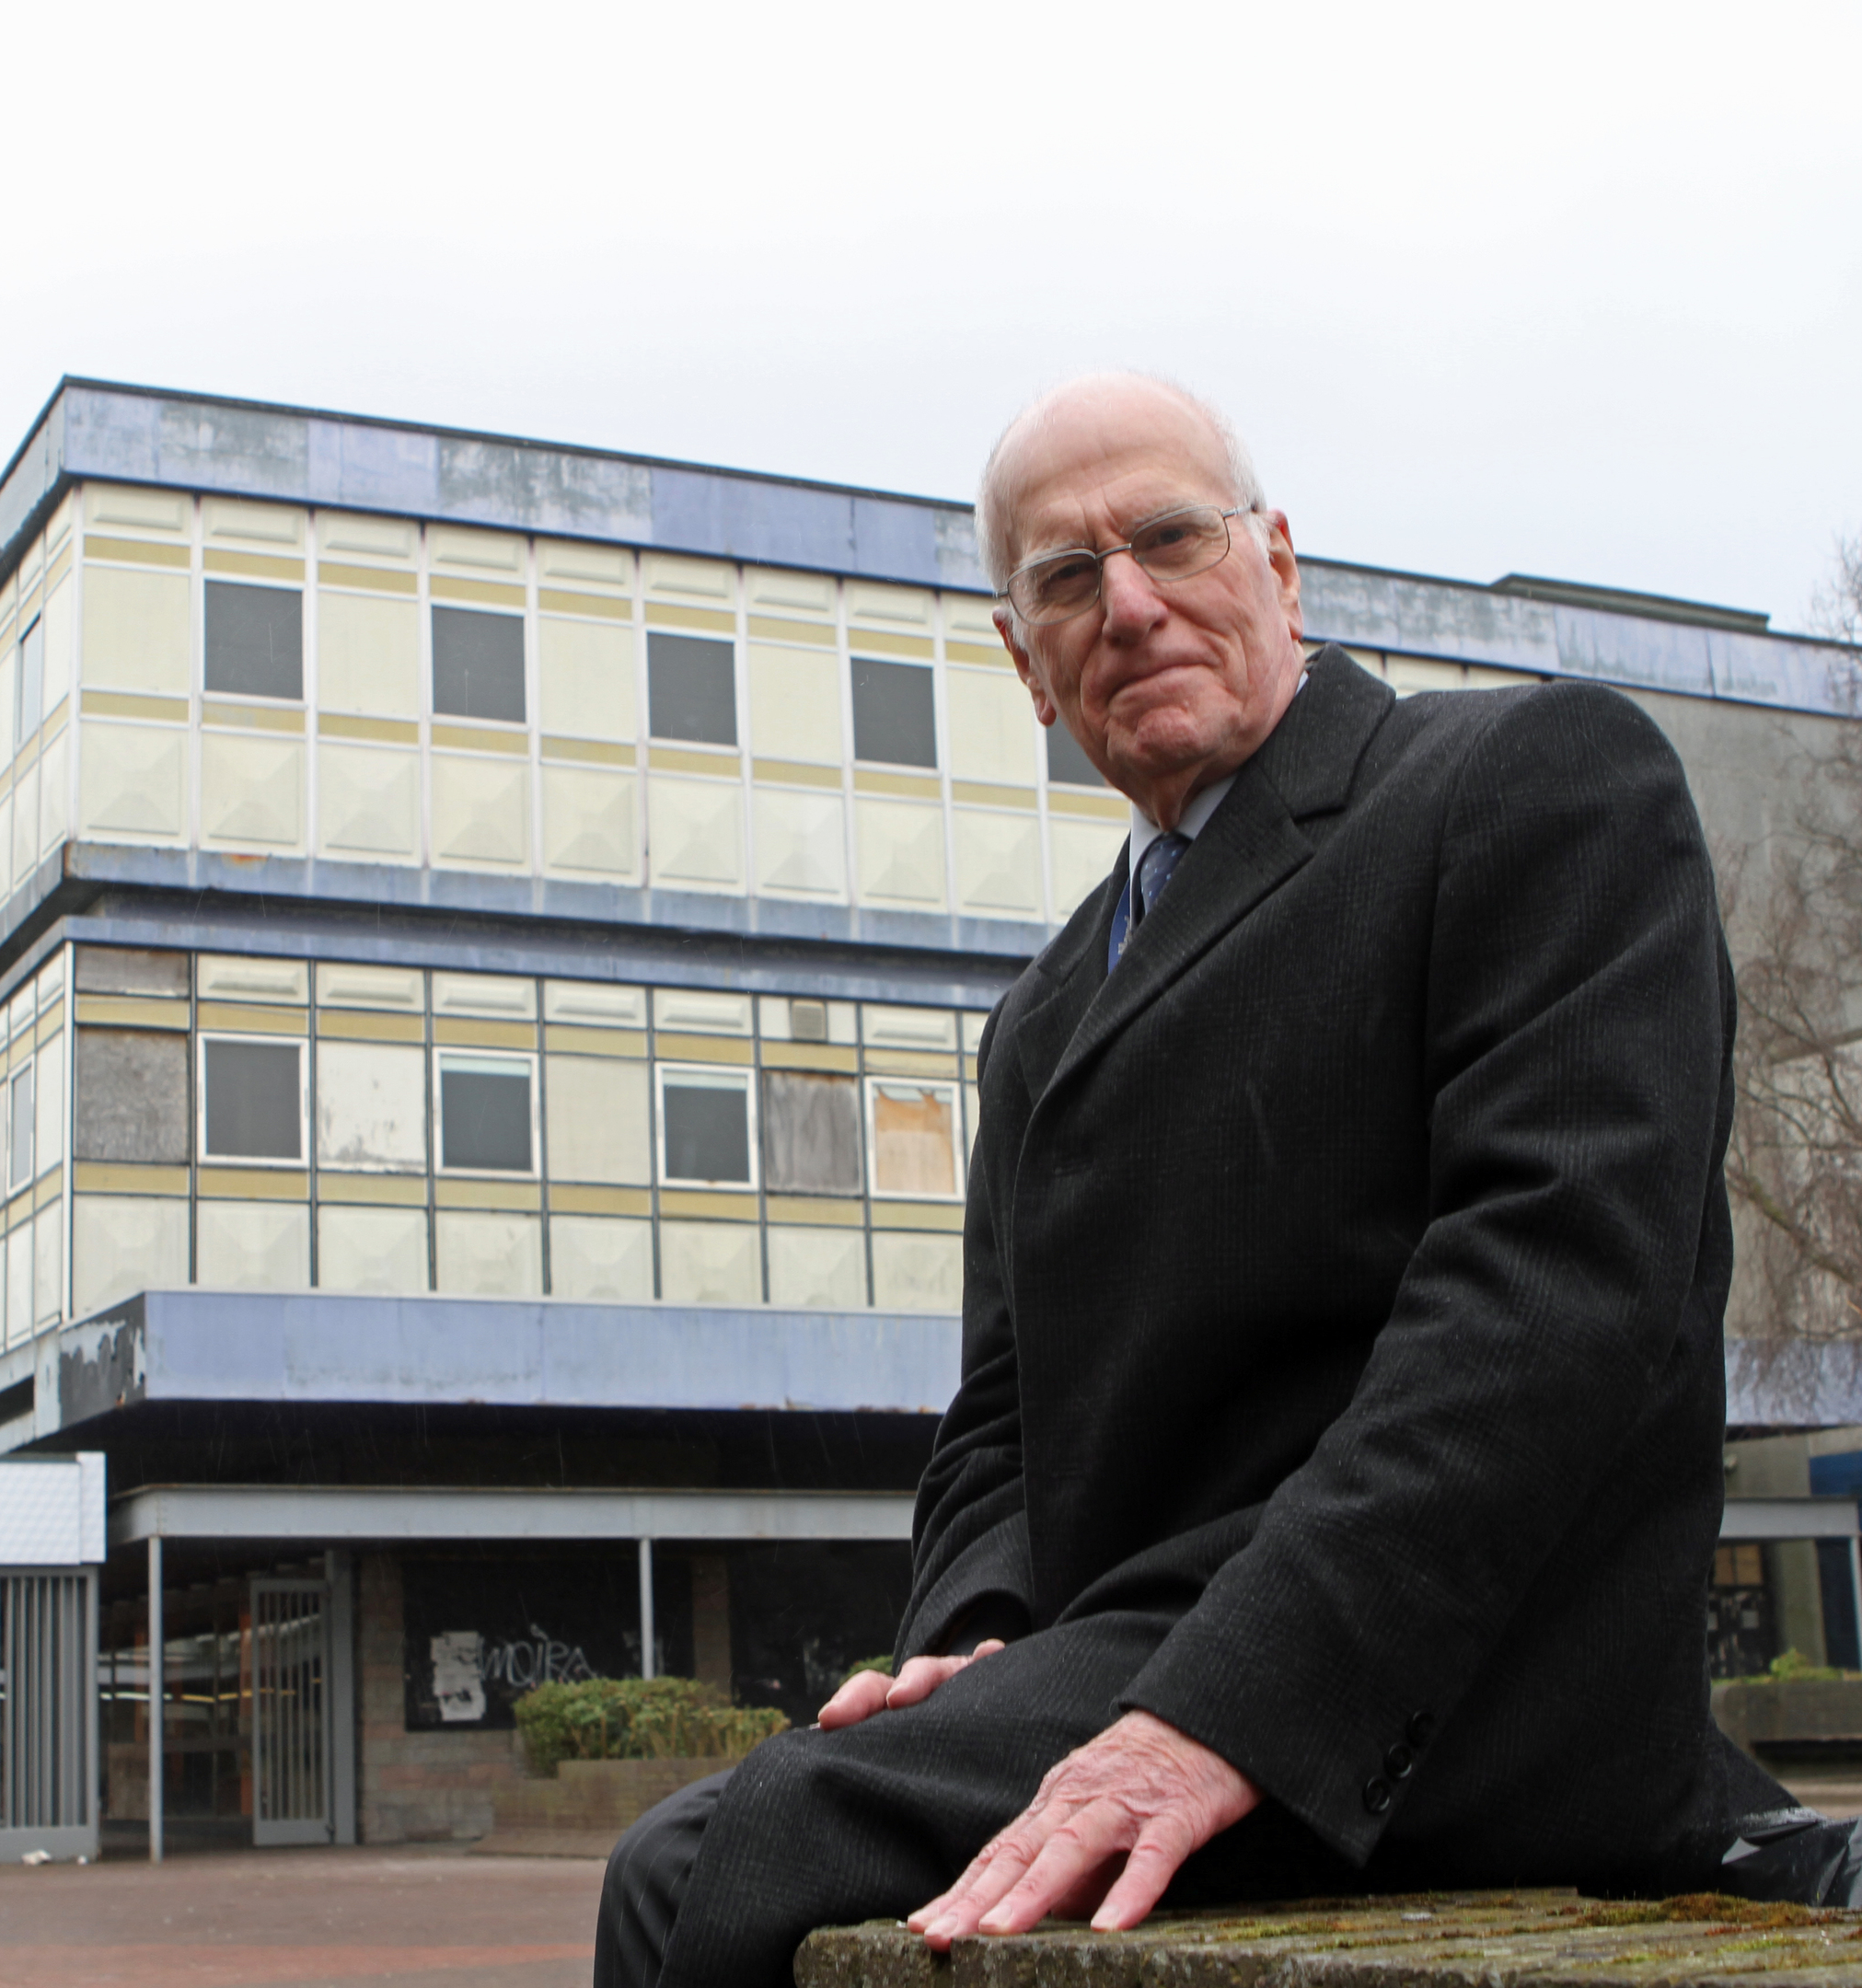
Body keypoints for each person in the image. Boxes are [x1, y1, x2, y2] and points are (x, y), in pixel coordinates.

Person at [596, 373, 1793, 1988]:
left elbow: (1552, 1299)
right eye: (1067, 579)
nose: (1132, 604)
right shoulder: (1043, 1012)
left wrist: (1232, 1709)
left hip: (1450, 1682)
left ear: (1280, 564)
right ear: (1025, 663)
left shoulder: (1529, 778)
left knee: (708, 1872)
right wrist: (975, 1632)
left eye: (1170, 536)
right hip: (1135, 1650)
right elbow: (1004, 1417)